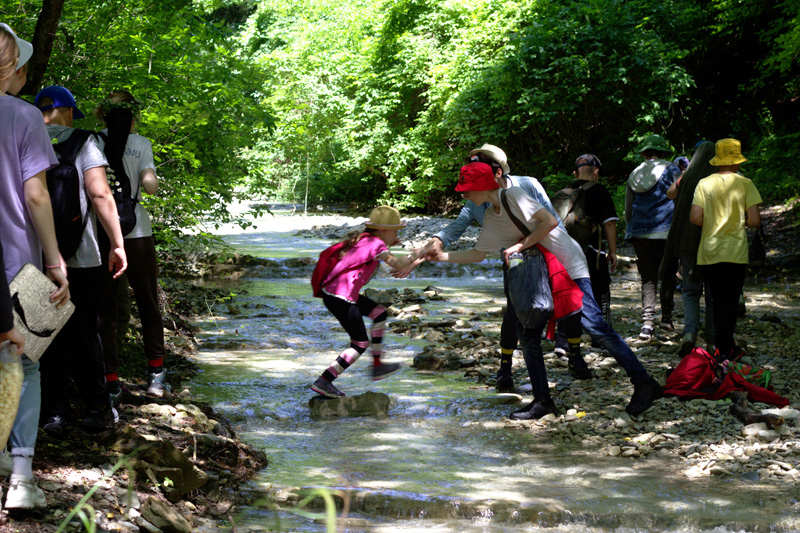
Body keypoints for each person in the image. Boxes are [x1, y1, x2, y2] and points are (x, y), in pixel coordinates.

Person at [429, 162, 664, 420]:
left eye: (466, 189)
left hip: (569, 266)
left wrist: (520, 245)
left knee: (595, 325)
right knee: (527, 332)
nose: (464, 195)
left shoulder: (514, 195)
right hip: (545, 271)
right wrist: (441, 257)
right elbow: (477, 254)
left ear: (482, 186)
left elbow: (550, 221)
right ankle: (543, 401)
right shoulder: (491, 216)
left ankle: (644, 382)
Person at [393, 144, 564, 392]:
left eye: (483, 165)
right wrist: (418, 257)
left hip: (542, 254)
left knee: (557, 305)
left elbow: (552, 220)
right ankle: (507, 371)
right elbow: (451, 232)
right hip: (512, 260)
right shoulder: (475, 201)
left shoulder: (526, 185)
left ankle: (570, 357)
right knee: (514, 314)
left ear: (497, 171)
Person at [0, 22, 69, 511]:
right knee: (24, 364)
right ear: (13, 68)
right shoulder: (23, 117)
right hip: (16, 259)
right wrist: (55, 259)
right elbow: (36, 193)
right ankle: (21, 479)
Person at [34, 85, 128, 435]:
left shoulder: (23, 138)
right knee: (85, 331)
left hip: (38, 255)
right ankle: (96, 408)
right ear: (70, 112)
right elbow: (100, 193)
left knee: (43, 334)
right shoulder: (85, 142)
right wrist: (118, 244)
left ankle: (52, 413)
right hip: (83, 255)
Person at [94, 90, 166, 401]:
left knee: (106, 308)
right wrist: (149, 179)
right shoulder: (142, 143)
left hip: (101, 232)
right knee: (148, 301)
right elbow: (149, 186)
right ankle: (156, 375)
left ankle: (110, 379)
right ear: (133, 116)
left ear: (103, 114)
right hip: (137, 231)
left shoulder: (92, 140)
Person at [310, 206, 424, 398]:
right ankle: (325, 380)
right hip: (342, 297)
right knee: (360, 343)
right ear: (384, 230)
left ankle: (377, 365)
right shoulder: (376, 244)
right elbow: (396, 264)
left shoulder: (367, 240)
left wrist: (414, 259)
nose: (397, 234)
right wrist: (423, 250)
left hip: (337, 295)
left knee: (379, 312)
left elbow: (380, 258)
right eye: (396, 230)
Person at [690, 138, 761, 362]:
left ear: (718, 161)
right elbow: (755, 220)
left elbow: (695, 217)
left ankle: (723, 347)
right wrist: (738, 221)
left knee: (717, 300)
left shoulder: (703, 183)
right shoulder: (746, 183)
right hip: (735, 251)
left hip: (709, 251)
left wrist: (713, 222)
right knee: (730, 302)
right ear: (737, 161)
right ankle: (725, 349)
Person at [553, 154, 619, 361]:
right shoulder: (599, 191)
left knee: (569, 293)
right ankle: (602, 337)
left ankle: (562, 342)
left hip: (565, 251)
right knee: (601, 292)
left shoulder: (566, 194)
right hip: (592, 252)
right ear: (597, 171)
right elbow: (609, 223)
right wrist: (613, 252)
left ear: (575, 173)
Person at [661, 141, 717, 356]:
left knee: (690, 290)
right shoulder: (717, 179)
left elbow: (670, 194)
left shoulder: (687, 178)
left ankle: (690, 333)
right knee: (712, 291)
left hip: (686, 239)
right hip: (711, 240)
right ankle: (712, 336)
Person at [624, 134, 680, 340]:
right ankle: (666, 318)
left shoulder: (635, 172)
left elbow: (628, 206)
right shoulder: (672, 169)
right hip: (667, 232)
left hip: (641, 232)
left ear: (645, 153)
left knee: (648, 278)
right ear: (662, 152)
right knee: (668, 273)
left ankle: (647, 323)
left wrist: (630, 228)